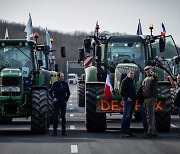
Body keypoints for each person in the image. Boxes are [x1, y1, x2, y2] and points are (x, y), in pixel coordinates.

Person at [49, 72, 70, 136]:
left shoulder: (65, 84)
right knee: (55, 117)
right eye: (61, 76)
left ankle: (63, 131)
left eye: (63, 76)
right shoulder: (55, 84)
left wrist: (66, 99)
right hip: (56, 102)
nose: (63, 78)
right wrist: (53, 98)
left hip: (63, 102)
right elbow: (50, 92)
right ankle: (54, 131)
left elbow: (68, 92)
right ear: (58, 77)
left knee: (63, 117)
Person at [142, 65, 158, 138]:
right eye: (146, 70)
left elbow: (155, 77)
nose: (147, 71)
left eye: (148, 70)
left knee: (150, 116)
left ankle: (151, 132)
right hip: (146, 98)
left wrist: (152, 73)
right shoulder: (146, 79)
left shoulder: (153, 77)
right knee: (148, 115)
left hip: (151, 98)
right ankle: (152, 131)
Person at [120, 69, 136, 137]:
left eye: (133, 73)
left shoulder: (132, 81)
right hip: (128, 101)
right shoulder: (125, 81)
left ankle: (127, 130)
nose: (132, 75)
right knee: (125, 116)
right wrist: (127, 98)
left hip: (132, 101)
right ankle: (123, 131)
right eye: (131, 73)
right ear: (128, 74)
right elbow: (122, 92)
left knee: (129, 117)